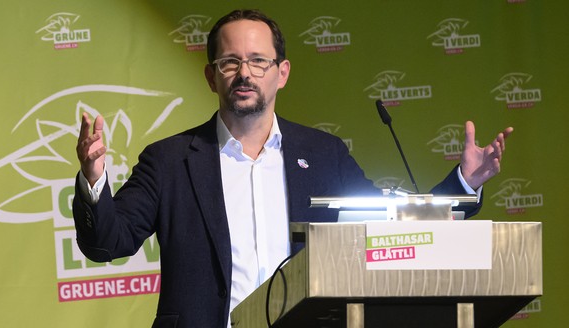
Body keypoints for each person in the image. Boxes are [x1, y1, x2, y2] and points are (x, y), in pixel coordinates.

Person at [73, 9, 513, 328]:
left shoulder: (324, 154)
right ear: (211, 76)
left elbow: (388, 225)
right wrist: (94, 178)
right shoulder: (169, 160)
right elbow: (107, 241)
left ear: (281, 72)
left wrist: (462, 184)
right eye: (230, 62)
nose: (245, 73)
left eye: (259, 61)